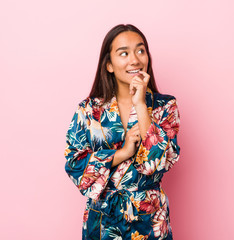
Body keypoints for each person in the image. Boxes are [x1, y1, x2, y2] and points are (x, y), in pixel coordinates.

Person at [64, 24, 181, 240]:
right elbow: (74, 163)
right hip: (103, 220)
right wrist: (123, 152)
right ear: (109, 64)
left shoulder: (165, 107)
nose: (134, 59)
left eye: (140, 50)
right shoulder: (90, 111)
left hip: (150, 220)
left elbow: (155, 163)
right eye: (124, 53)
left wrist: (140, 103)